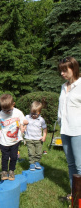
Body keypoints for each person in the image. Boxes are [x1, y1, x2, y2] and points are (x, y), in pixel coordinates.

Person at [58, 57, 81, 198]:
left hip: (78, 130)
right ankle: (75, 193)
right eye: (60, 71)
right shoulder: (63, 86)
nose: (62, 73)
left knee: (80, 165)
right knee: (71, 164)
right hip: (64, 130)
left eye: (65, 70)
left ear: (74, 68)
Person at [0, 94, 28, 181]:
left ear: (13, 104)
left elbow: (23, 120)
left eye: (9, 110)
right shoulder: (0, 115)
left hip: (15, 140)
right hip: (4, 141)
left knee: (14, 157)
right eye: (4, 110)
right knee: (5, 157)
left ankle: (11, 171)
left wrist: (25, 123)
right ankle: (4, 171)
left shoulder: (18, 112)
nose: (7, 112)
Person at [24, 101, 47, 171]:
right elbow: (23, 123)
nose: (33, 115)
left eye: (35, 114)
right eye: (32, 113)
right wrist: (23, 127)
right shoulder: (27, 117)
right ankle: (31, 163)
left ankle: (37, 162)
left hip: (38, 139)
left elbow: (45, 128)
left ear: (39, 112)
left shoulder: (41, 120)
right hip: (29, 138)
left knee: (38, 152)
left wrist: (44, 136)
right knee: (31, 152)